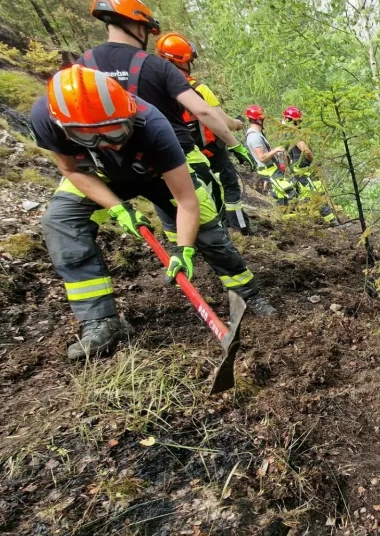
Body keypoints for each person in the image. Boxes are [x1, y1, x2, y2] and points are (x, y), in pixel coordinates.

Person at [34, 66, 275, 360]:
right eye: (94, 137)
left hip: (158, 173)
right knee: (61, 221)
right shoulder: (46, 120)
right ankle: (100, 321)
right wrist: (118, 208)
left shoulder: (154, 126)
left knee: (209, 230)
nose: (110, 143)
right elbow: (70, 169)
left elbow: (187, 200)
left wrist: (184, 249)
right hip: (97, 175)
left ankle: (249, 294)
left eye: (115, 132)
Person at [82, 0, 256, 222]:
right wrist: (236, 140)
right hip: (183, 153)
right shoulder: (183, 81)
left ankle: (182, 244)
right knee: (210, 204)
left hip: (114, 160)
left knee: (167, 208)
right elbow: (210, 115)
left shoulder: (86, 66)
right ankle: (225, 235)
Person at [155, 31, 252, 234]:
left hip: (175, 155)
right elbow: (223, 121)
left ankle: (207, 230)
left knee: (193, 195)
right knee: (230, 189)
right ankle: (242, 230)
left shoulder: (152, 87)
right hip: (211, 151)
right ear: (184, 61)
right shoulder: (196, 88)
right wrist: (238, 126)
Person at [281, 106, 336, 223]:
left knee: (309, 194)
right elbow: (305, 150)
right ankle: (332, 221)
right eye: (299, 119)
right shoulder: (294, 133)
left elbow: (285, 154)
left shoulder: (286, 134)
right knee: (316, 195)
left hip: (298, 170)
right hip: (304, 170)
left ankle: (302, 218)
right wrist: (315, 161)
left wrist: (288, 168)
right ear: (295, 120)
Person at [244, 105, 298, 205]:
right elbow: (262, 157)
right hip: (269, 171)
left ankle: (286, 217)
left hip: (272, 169)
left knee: (280, 197)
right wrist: (275, 150)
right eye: (263, 118)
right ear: (259, 120)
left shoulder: (257, 133)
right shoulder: (254, 136)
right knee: (291, 193)